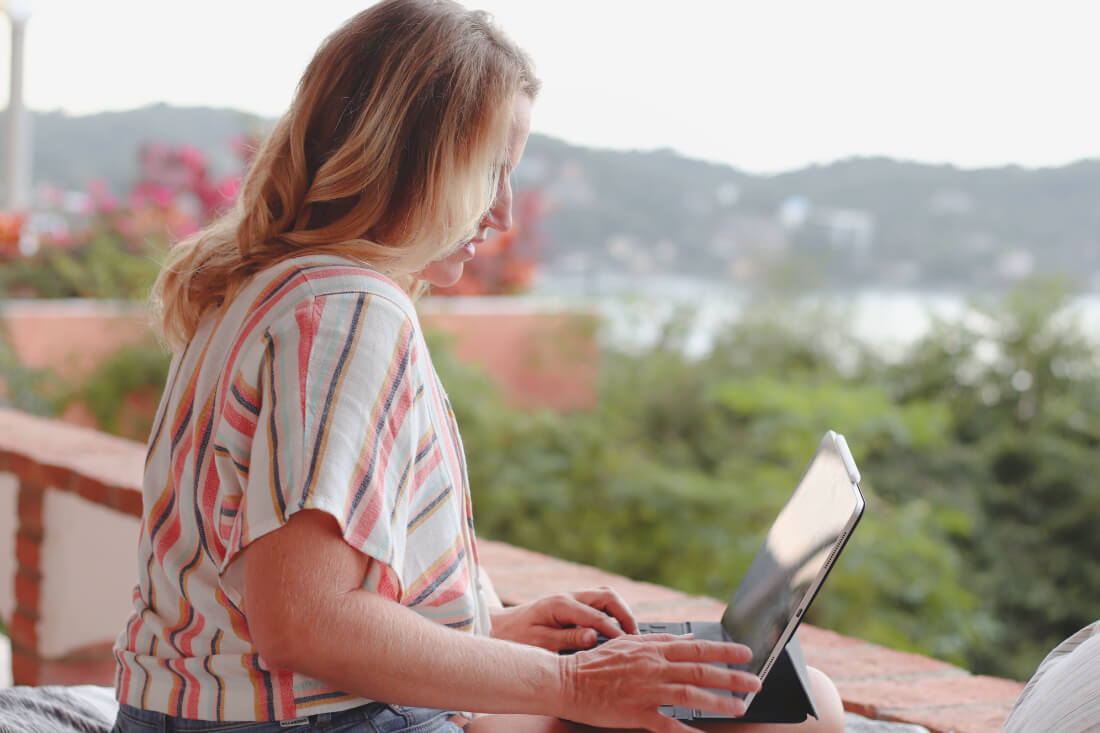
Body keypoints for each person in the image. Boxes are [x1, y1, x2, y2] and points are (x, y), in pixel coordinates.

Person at [111, 2, 846, 731]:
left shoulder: (256, 290)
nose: (502, 214)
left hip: (206, 711)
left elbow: (267, 596)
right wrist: (571, 681)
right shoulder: (346, 308)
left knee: (758, 696)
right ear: (409, 161)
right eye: (490, 171)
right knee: (803, 713)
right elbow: (304, 622)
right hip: (307, 721)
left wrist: (484, 623)